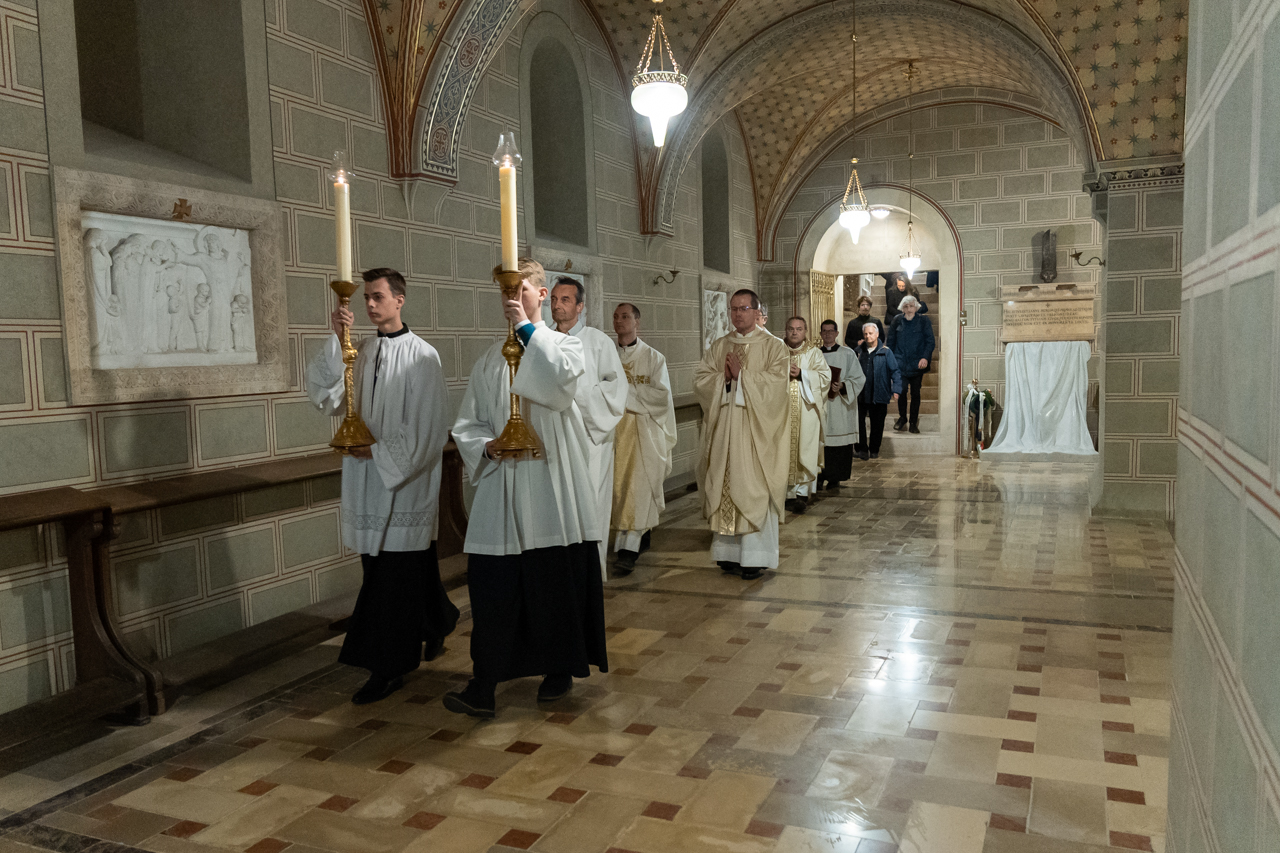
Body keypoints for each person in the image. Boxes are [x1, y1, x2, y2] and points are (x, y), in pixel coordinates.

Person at [447, 259, 608, 717]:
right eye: (505, 291)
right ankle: (484, 683)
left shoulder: (565, 344)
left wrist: (527, 332)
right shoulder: (488, 360)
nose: (511, 299)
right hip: (503, 485)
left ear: (540, 293)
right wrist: (487, 446)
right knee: (493, 588)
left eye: (520, 290)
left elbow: (559, 386)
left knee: (552, 583)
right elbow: (468, 422)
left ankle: (558, 668)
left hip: (550, 485)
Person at [306, 268, 456, 705]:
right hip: (365, 480)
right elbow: (328, 398)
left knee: (391, 581)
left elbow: (428, 427)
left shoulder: (422, 356)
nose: (369, 305)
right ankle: (436, 620)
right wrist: (338, 340)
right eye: (366, 298)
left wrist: (378, 453)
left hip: (404, 482)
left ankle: (388, 667)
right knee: (391, 570)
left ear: (399, 300)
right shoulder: (362, 352)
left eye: (377, 297)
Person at [694, 289, 789, 581]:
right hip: (725, 429)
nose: (737, 314)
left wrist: (742, 376)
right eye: (733, 309)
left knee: (752, 486)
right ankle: (728, 552)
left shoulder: (774, 346)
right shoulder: (720, 345)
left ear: (757, 312)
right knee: (723, 481)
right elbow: (701, 379)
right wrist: (722, 378)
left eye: (744, 308)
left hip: (755, 432)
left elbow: (778, 385)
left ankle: (754, 557)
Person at [549, 277, 627, 576]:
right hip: (555, 437)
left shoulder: (598, 341)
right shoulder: (543, 340)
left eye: (565, 299)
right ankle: (562, 573)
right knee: (559, 504)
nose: (557, 305)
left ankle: (592, 573)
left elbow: (616, 388)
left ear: (580, 306)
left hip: (592, 436)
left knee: (592, 503)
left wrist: (577, 391)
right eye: (554, 299)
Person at [610, 303, 677, 574]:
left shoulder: (653, 358)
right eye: (616, 317)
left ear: (637, 322)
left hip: (642, 434)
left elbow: (661, 397)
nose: (619, 321)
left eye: (625, 316)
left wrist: (624, 394)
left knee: (638, 489)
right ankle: (638, 536)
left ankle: (628, 550)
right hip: (612, 434)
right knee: (617, 489)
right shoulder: (606, 356)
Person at [782, 316, 831, 514]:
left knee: (805, 449)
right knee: (783, 451)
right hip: (781, 412)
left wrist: (802, 374)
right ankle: (786, 494)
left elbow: (825, 377)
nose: (795, 332)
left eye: (799, 329)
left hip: (807, 411)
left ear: (805, 331)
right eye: (791, 329)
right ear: (786, 330)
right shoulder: (776, 351)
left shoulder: (814, 353)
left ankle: (801, 494)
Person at [816, 319, 863, 490]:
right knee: (820, 442)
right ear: (820, 334)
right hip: (820, 404)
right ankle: (819, 477)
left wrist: (843, 386)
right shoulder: (814, 354)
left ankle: (835, 478)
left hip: (841, 406)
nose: (828, 334)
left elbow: (859, 378)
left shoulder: (848, 354)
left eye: (831, 331)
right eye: (824, 331)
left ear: (837, 333)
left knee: (839, 444)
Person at [887, 294, 935, 434]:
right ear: (902, 308)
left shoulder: (923, 321)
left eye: (911, 306)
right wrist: (890, 361)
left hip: (917, 364)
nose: (909, 309)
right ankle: (902, 418)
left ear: (916, 307)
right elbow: (890, 343)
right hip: (900, 363)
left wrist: (925, 357)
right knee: (901, 391)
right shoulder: (896, 320)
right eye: (906, 307)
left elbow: (930, 341)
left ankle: (913, 422)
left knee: (915, 393)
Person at [854, 322, 901, 460]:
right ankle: (862, 449)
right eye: (865, 334)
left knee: (877, 424)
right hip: (861, 394)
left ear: (877, 334)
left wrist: (896, 389)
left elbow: (895, 371)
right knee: (858, 423)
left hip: (879, 392)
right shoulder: (858, 352)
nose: (868, 336)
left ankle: (874, 450)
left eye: (870, 333)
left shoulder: (886, 352)